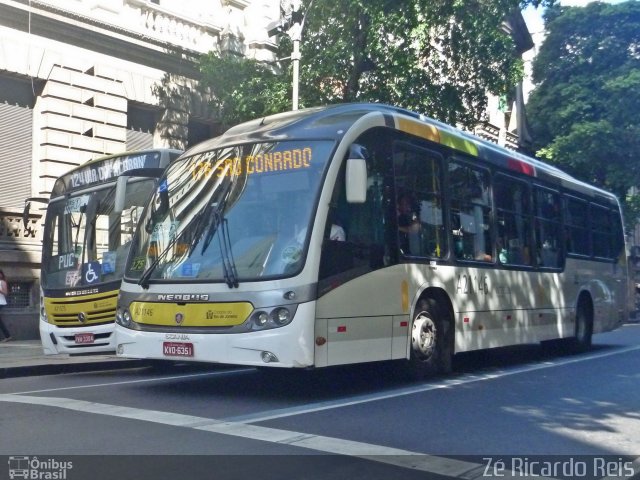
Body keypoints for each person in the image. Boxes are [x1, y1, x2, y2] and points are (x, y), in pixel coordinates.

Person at [0, 270, 12, 342]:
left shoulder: (2, 282)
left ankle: (8, 336)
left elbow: (5, 293)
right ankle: (8, 336)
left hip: (1, 302)